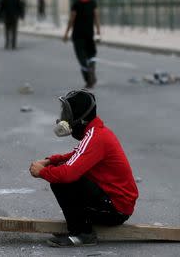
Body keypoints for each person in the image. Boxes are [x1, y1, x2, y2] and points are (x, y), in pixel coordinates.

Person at [29, 89, 138, 247]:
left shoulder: (96, 137)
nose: (64, 118)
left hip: (116, 209)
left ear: (80, 117)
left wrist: (42, 172)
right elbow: (76, 154)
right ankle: (79, 227)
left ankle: (82, 234)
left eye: (68, 113)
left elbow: (67, 174)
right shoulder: (95, 132)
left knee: (62, 181)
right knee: (60, 170)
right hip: (114, 202)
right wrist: (50, 161)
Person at [63, 0, 101, 89]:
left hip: (78, 36)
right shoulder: (92, 2)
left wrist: (66, 33)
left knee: (82, 58)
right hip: (89, 34)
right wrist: (98, 31)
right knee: (91, 54)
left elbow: (71, 20)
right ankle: (92, 69)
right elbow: (96, 17)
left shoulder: (76, 4)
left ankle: (89, 79)